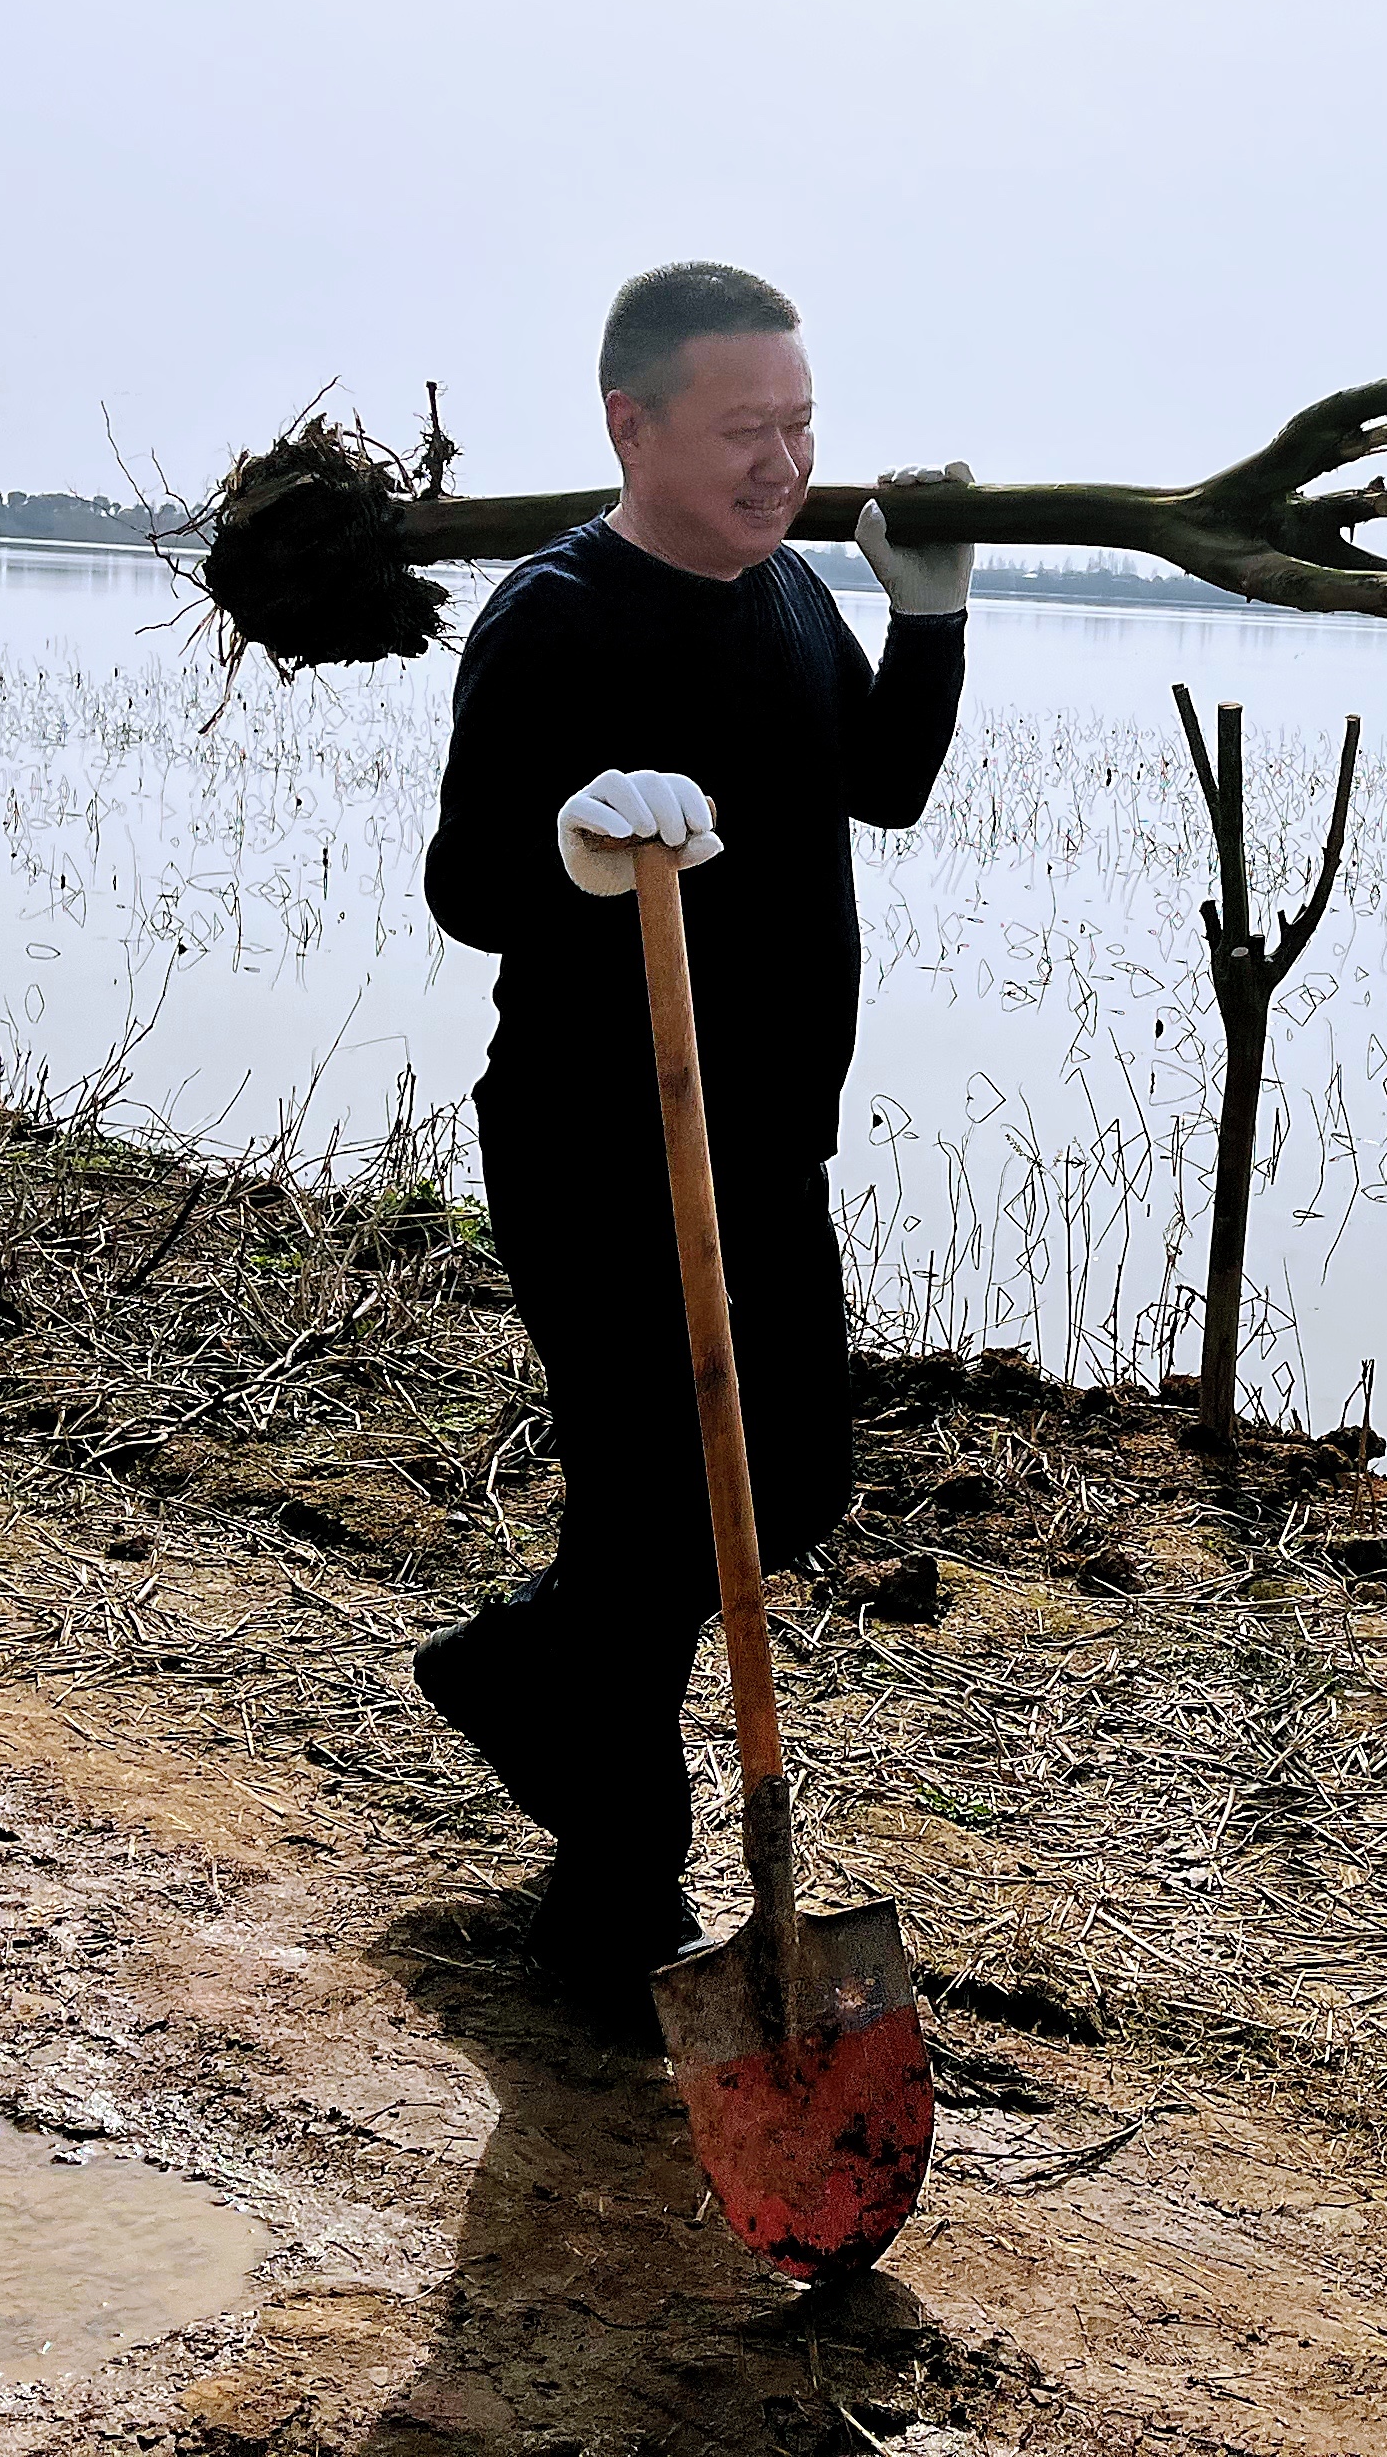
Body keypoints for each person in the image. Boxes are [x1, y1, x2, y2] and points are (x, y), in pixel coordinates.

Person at [409, 260, 972, 2031]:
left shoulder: (799, 595)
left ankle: (519, 1674)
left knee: (788, 1483)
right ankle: (617, 1892)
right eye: (747, 430)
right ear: (627, 425)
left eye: (801, 426)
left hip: (767, 1140)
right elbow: (465, 887)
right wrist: (575, 848)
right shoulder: (558, 619)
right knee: (654, 1505)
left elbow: (878, 783)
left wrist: (930, 620)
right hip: (596, 1141)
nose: (784, 462)